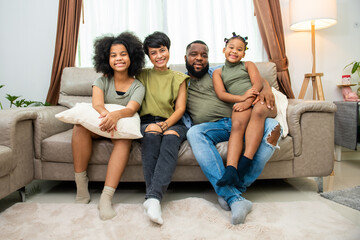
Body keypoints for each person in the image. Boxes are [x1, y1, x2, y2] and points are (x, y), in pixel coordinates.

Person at [185, 40, 282, 225]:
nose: (199, 59)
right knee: (194, 133)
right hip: (217, 127)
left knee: (273, 127)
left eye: (204, 55)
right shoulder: (180, 81)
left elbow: (258, 80)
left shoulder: (217, 71)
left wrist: (267, 89)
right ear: (185, 58)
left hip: (245, 118)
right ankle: (235, 197)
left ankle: (232, 189)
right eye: (193, 54)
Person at [72, 32, 145, 221]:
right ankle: (81, 186)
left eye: (123, 54)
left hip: (120, 127)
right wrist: (107, 117)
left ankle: (106, 198)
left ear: (131, 57)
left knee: (124, 141)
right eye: (113, 55)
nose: (118, 58)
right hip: (100, 123)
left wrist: (115, 117)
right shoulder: (101, 81)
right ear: (106, 58)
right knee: (79, 128)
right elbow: (97, 104)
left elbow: (131, 109)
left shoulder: (138, 86)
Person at [136, 31, 189, 225]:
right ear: (148, 56)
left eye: (162, 50)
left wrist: (166, 124)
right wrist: (155, 125)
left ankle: (152, 199)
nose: (159, 56)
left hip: (174, 121)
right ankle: (155, 199)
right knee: (151, 133)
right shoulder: (141, 75)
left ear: (168, 50)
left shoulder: (179, 78)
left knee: (170, 137)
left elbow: (181, 108)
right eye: (153, 53)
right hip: (146, 121)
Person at [212, 33, 277, 187]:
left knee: (258, 111)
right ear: (224, 49)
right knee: (237, 125)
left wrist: (248, 101)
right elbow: (222, 94)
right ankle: (231, 170)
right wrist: (242, 100)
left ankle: (245, 164)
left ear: (244, 53)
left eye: (239, 49)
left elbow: (257, 84)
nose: (234, 51)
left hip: (257, 98)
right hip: (242, 101)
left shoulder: (248, 64)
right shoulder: (218, 72)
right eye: (231, 47)